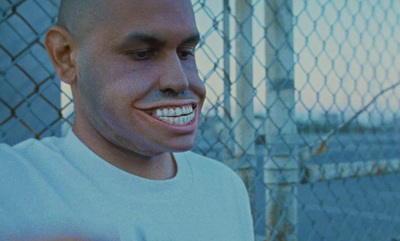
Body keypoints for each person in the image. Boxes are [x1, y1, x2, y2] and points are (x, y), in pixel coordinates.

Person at [0, 0, 254, 240]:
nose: (180, 81)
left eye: (185, 53)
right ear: (65, 56)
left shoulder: (225, 187)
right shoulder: (13, 186)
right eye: (142, 54)